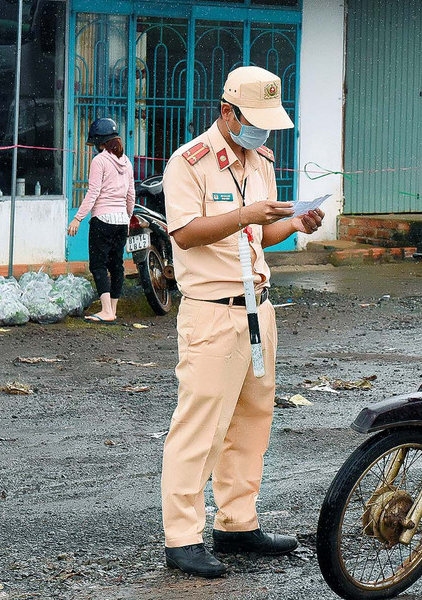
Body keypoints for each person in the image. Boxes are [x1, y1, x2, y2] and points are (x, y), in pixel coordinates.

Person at [160, 65, 324, 578]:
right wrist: (248, 214)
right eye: (254, 121)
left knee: (252, 422)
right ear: (227, 111)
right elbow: (185, 234)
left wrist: (294, 223)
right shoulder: (189, 163)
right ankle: (183, 538)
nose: (262, 132)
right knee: (200, 428)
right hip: (212, 313)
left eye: (269, 123)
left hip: (259, 309)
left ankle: (237, 523)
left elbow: (258, 237)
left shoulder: (261, 160)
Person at [66, 118, 135, 323]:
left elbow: (93, 193)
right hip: (121, 220)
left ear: (99, 141)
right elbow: (130, 195)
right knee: (117, 265)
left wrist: (77, 218)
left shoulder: (100, 161)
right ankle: (112, 309)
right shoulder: (127, 162)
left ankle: (106, 311)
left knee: (98, 265)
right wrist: (127, 218)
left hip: (102, 220)